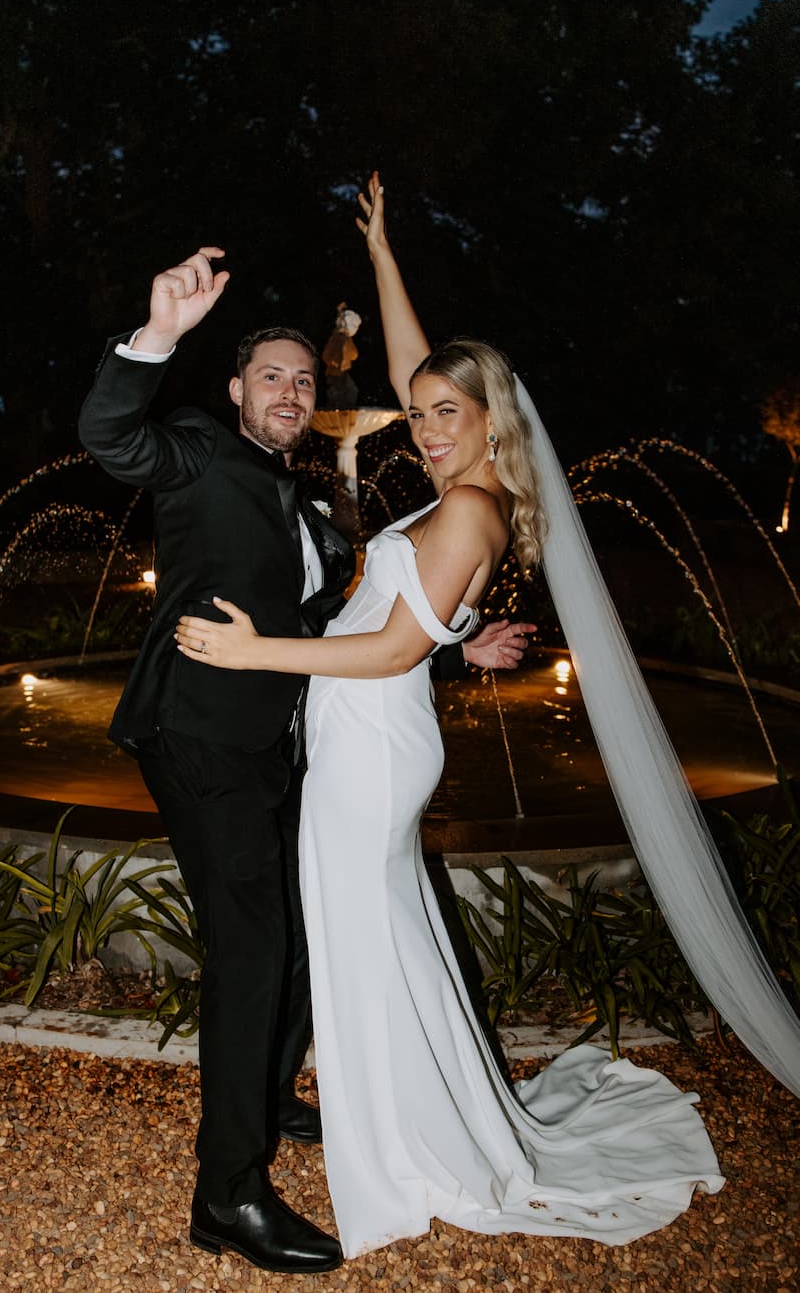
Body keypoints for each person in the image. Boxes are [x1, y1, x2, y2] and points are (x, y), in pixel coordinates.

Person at [174, 177, 740, 1257]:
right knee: (374, 936)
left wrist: (254, 649)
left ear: (490, 423)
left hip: (371, 745)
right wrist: (385, 253)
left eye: (447, 414)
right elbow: (407, 377)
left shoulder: (469, 503)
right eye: (422, 411)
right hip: (372, 733)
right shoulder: (467, 485)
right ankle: (386, 1110)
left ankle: (400, 1141)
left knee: (359, 935)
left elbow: (387, 644)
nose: (425, 426)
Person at [77, 246, 534, 1275]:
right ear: (235, 391)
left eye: (301, 378)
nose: (290, 389)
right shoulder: (196, 448)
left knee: (288, 943)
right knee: (249, 951)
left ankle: (270, 1093)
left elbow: (361, 627)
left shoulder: (314, 506)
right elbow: (110, 435)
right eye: (269, 376)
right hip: (197, 731)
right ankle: (225, 1197)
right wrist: (157, 336)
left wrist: (458, 650)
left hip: (278, 746)